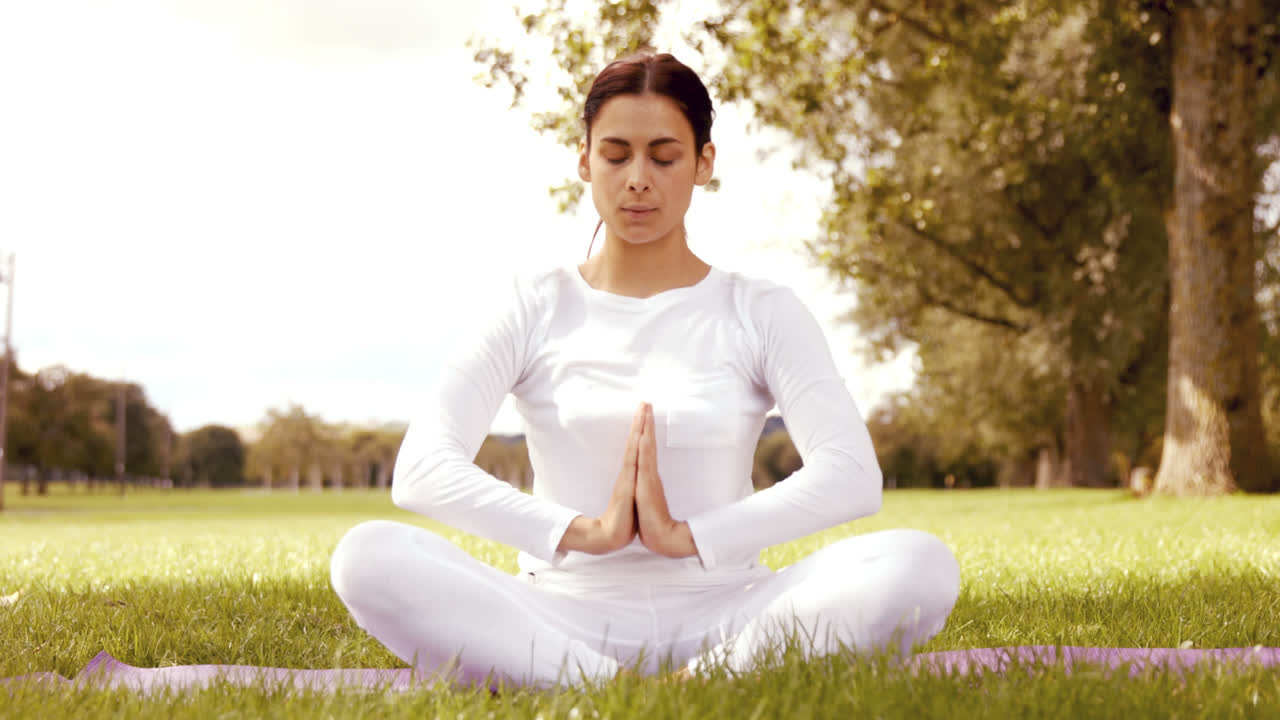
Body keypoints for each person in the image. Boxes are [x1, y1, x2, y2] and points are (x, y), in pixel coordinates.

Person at [329, 50, 960, 689]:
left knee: (920, 564)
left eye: (663, 157)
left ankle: (695, 682)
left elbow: (851, 476)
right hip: (554, 615)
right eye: (615, 154)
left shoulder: (761, 309)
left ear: (703, 163)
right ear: (584, 160)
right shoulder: (531, 305)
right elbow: (423, 471)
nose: (638, 179)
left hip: (735, 613)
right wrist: (584, 532)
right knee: (368, 555)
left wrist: (690, 537)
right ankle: (606, 688)